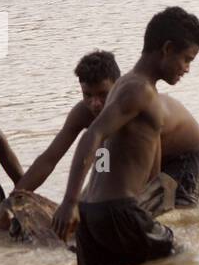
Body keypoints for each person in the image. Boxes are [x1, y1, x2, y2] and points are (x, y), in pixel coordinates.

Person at [50, 7, 199, 265]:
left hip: (92, 216)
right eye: (187, 59)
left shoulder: (125, 85)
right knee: (187, 262)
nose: (187, 69)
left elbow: (113, 151)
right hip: (118, 213)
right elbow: (94, 135)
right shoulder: (140, 90)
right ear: (167, 49)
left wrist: (79, 204)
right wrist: (69, 202)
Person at [12, 50, 120, 194]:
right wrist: (14, 198)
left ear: (118, 86)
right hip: (108, 171)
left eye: (103, 94)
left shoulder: (135, 109)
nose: (95, 104)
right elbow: (49, 160)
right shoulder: (83, 113)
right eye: (87, 95)